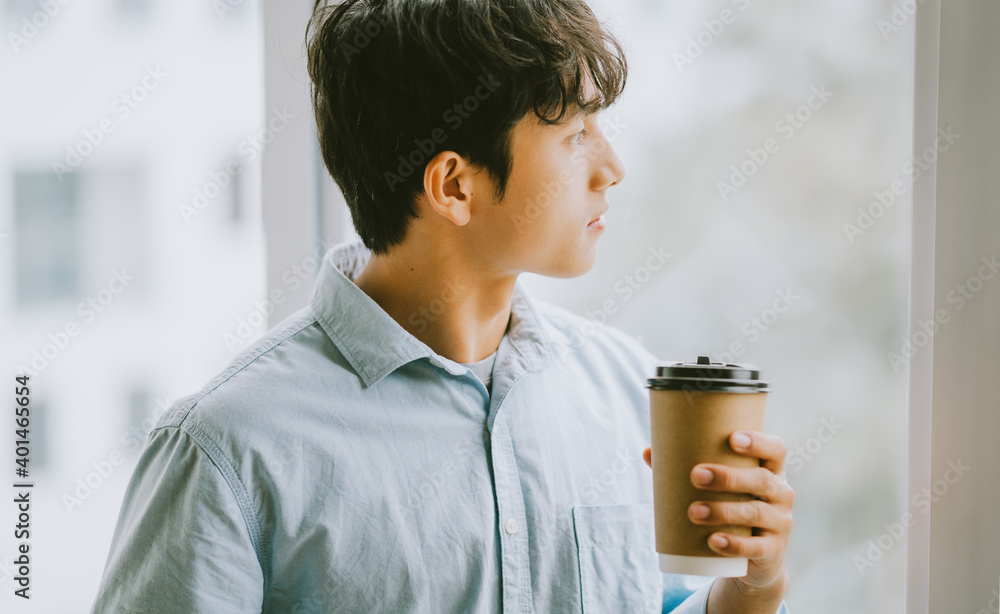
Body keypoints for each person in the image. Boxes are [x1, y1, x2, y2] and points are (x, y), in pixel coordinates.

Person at [90, 1, 794, 612]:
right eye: (575, 134)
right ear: (454, 185)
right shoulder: (228, 454)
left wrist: (749, 592)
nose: (612, 166)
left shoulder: (626, 390)